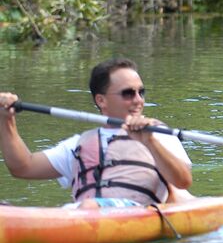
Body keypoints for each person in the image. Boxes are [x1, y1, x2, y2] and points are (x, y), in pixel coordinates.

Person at [0, 58, 194, 209]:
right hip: (80, 214)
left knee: (89, 206)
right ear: (101, 100)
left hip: (135, 213)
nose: (138, 100)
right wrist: (6, 120)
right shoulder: (79, 144)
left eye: (140, 92)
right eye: (128, 93)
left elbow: (183, 181)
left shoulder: (158, 134)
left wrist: (150, 142)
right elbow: (23, 167)